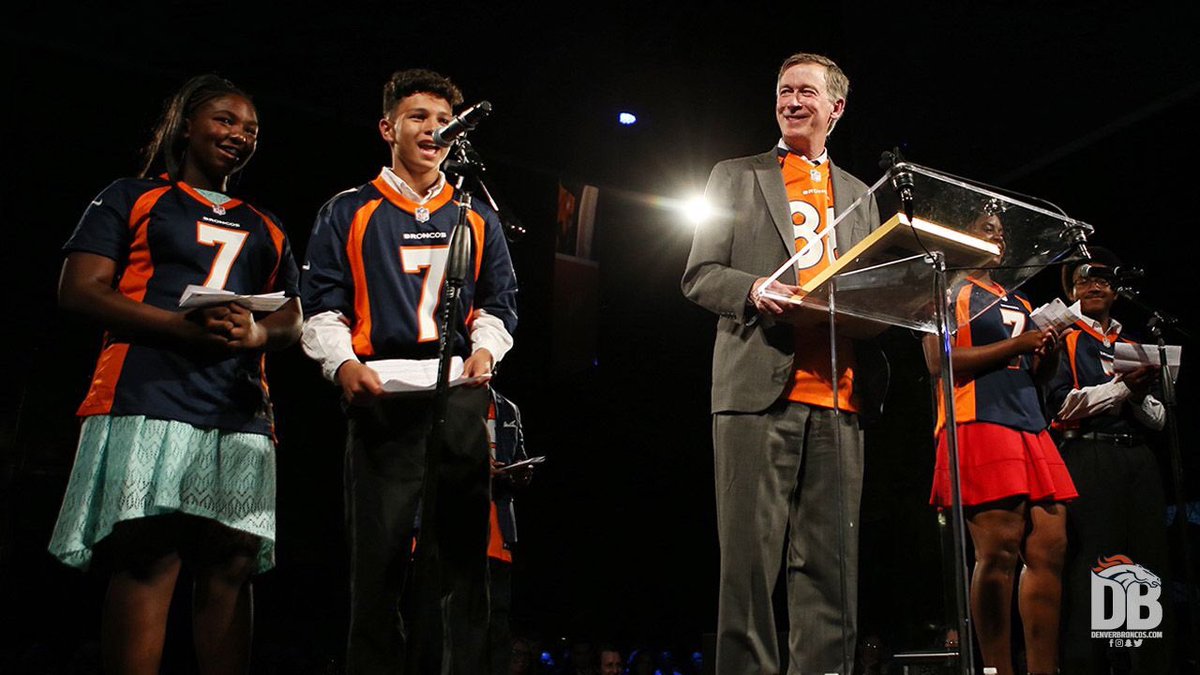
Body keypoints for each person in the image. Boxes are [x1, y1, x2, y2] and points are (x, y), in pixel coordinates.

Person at [48, 73, 302, 674]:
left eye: (251, 129)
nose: (239, 135)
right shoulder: (132, 196)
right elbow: (79, 289)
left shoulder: (265, 224)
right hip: (146, 392)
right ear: (187, 125)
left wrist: (257, 334)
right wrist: (178, 328)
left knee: (233, 561)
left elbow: (294, 314)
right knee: (150, 555)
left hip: (237, 407)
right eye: (225, 120)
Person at [299, 68, 518, 674]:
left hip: (459, 394)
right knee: (379, 560)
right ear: (387, 127)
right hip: (382, 395)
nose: (432, 129)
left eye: (443, 120)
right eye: (418, 116)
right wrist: (342, 363)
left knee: (463, 562)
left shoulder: (476, 213)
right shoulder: (350, 209)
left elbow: (499, 301)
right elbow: (321, 303)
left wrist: (485, 350)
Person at [681, 52, 885, 673]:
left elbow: (874, 289)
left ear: (836, 108)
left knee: (832, 570)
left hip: (841, 396)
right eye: (784, 90)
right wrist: (752, 289)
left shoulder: (862, 194)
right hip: (756, 391)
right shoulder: (735, 176)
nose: (792, 102)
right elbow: (700, 273)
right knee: (748, 564)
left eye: (806, 92)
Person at [924, 208, 1075, 675]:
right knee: (999, 549)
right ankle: (996, 668)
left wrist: (1047, 352)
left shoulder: (1021, 301)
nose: (998, 238)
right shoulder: (945, 290)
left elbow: (1036, 374)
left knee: (1050, 545)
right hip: (979, 419)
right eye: (986, 229)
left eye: (1001, 232)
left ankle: (1043, 668)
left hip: (1029, 421)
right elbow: (940, 362)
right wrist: (1017, 345)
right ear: (961, 235)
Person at [1047, 249, 1170, 673]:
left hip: (1137, 457)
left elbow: (1159, 419)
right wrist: (1122, 389)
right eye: (1084, 280)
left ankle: (1141, 664)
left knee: (1143, 567)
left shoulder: (1132, 345)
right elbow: (1060, 407)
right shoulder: (1062, 337)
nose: (1094, 286)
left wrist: (1135, 396)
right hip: (1088, 453)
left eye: (1103, 280)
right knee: (1095, 563)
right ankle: (1089, 664)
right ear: (1072, 292)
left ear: (1116, 291)